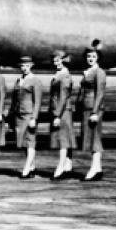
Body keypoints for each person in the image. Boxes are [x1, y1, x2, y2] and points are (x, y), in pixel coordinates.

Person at [10, 55, 45, 178]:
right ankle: (32, 166)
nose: (24, 68)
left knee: (30, 141)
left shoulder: (35, 81)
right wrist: (10, 115)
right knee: (23, 142)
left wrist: (34, 118)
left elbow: (38, 101)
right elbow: (14, 100)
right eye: (22, 66)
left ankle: (26, 168)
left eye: (27, 66)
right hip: (18, 114)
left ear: (31, 66)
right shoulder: (19, 81)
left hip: (29, 114)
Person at [78, 48, 107, 180]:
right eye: (88, 56)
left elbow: (100, 93)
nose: (90, 58)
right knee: (90, 138)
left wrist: (95, 112)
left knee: (95, 138)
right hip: (86, 107)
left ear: (98, 58)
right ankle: (97, 168)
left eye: (93, 56)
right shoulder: (88, 71)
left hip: (93, 109)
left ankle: (94, 169)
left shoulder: (99, 72)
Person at [47, 50, 76, 179]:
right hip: (62, 109)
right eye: (54, 60)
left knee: (62, 139)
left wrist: (57, 115)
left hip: (63, 110)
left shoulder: (64, 76)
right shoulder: (60, 74)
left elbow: (63, 97)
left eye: (58, 60)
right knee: (65, 137)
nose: (56, 62)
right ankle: (68, 165)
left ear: (64, 60)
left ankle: (60, 167)